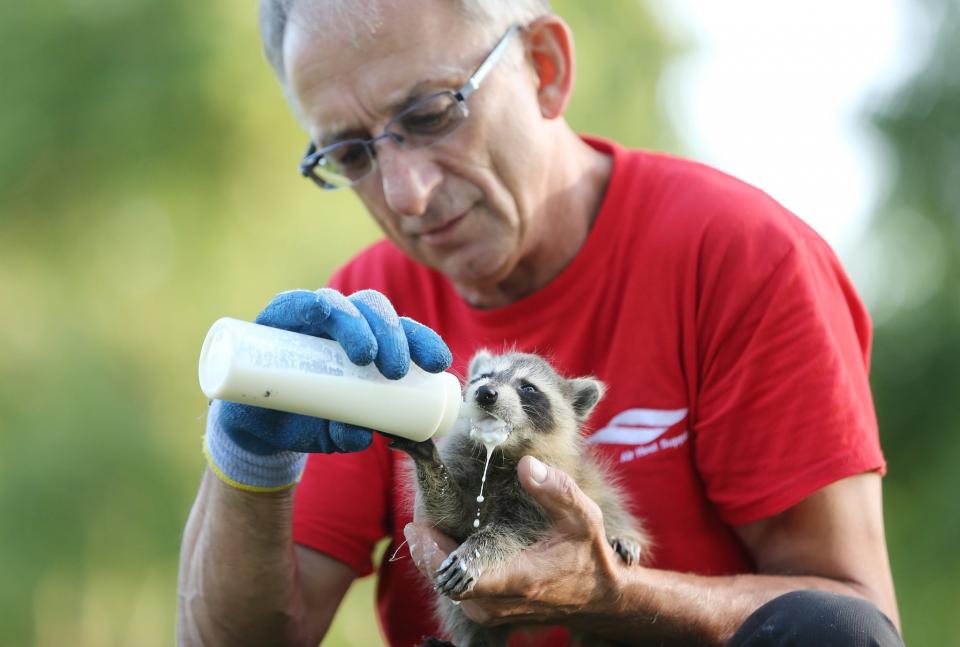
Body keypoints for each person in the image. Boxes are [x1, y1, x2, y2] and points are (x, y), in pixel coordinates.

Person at [177, 1, 905, 645]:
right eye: (351, 153)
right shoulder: (368, 315)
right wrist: (249, 456)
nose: (407, 193)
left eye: (431, 114)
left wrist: (619, 597)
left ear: (546, 67)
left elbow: (849, 621)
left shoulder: (741, 259)